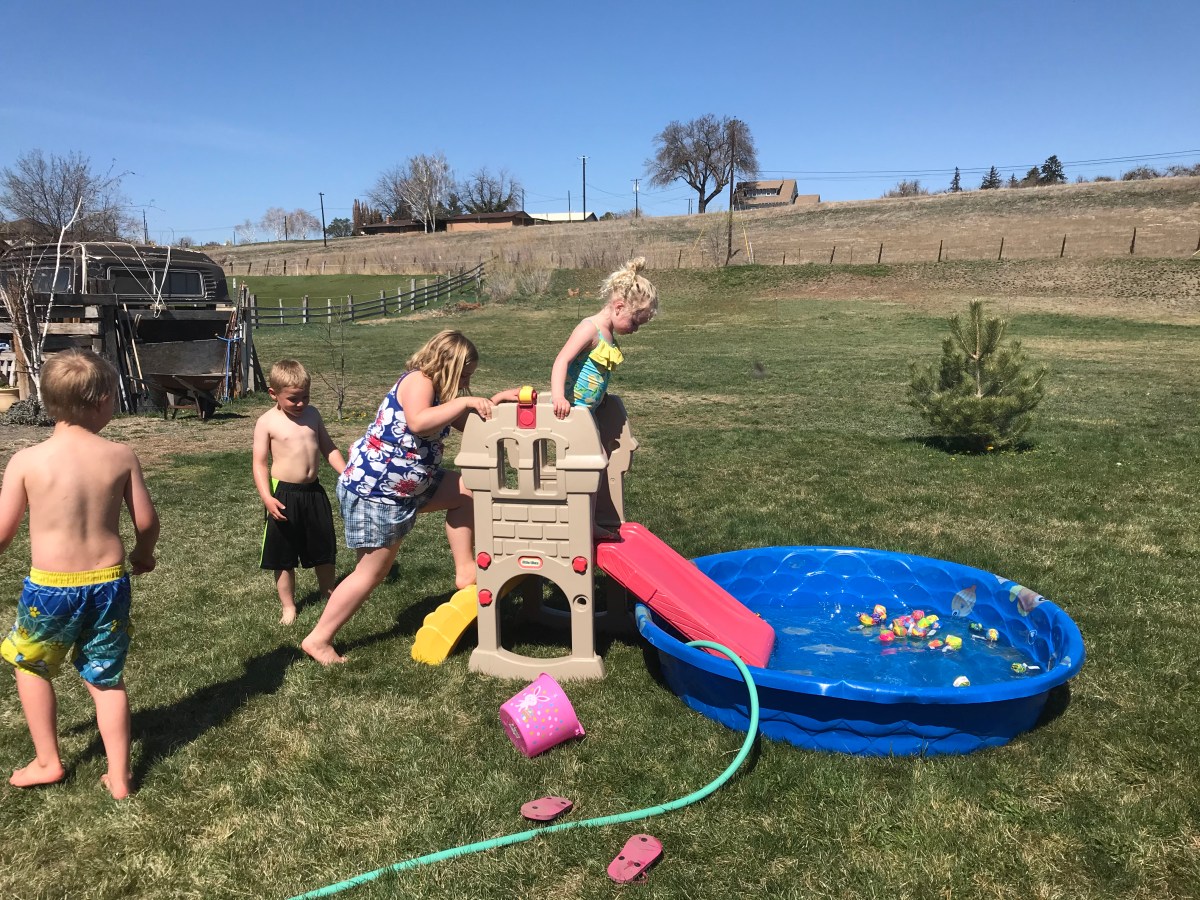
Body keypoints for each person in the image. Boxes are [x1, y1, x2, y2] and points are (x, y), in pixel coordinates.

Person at [301, 330, 520, 665]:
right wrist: (464, 401)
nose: (466, 384)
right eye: (464, 375)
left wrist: (498, 401)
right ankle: (318, 639)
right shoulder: (420, 381)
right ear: (447, 366)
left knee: (468, 491)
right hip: (378, 492)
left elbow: (471, 423)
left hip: (409, 486)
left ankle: (465, 570)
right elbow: (418, 422)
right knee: (370, 572)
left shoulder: (442, 394)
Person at [0, 349, 159, 799]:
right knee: (105, 677)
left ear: (48, 401)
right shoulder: (121, 455)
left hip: (50, 590)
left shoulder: (27, 460)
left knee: (30, 665)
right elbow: (147, 521)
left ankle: (48, 761)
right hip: (108, 583)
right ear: (103, 401)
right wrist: (143, 554)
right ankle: (120, 776)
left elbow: (3, 531)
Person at [252, 359, 346, 625]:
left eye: (305, 396)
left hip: (314, 492)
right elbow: (259, 462)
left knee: (323, 547)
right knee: (283, 555)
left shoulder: (313, 415)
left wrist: (347, 472)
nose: (301, 403)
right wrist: (267, 497)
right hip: (283, 495)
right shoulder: (267, 422)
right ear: (274, 394)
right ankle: (288, 606)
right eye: (293, 399)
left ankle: (329, 594)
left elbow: (328, 448)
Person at [550, 256, 659, 420]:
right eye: (634, 322)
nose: (635, 329)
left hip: (588, 414)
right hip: (569, 413)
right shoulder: (589, 329)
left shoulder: (609, 337)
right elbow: (562, 360)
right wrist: (559, 397)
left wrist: (599, 396)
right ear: (619, 307)